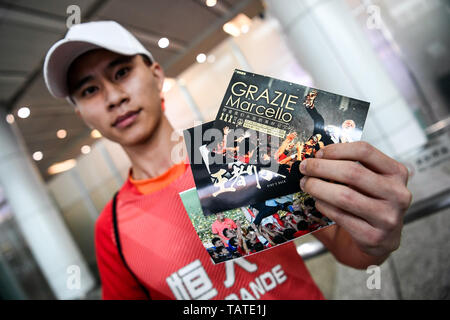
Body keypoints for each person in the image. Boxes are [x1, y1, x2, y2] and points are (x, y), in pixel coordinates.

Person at [43, 21, 412, 300]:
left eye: (122, 72)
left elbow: (351, 250)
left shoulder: (242, 150)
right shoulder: (111, 230)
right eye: (89, 90)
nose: (113, 97)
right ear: (82, 115)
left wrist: (374, 236)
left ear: (156, 76)